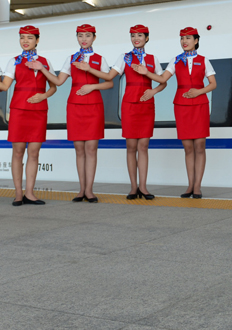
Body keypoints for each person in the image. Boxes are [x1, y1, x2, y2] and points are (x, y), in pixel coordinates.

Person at [0, 25, 56, 206]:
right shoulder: (13, 61)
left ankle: (30, 193)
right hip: (18, 110)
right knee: (18, 152)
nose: (25, 41)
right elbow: (4, 86)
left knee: (34, 153)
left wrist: (44, 95)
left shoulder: (45, 62)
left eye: (30, 38)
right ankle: (18, 193)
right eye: (22, 37)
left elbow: (54, 86)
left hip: (39, 111)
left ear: (37, 40)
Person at [33, 24, 112, 203]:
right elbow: (58, 82)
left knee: (91, 148)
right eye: (80, 36)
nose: (84, 39)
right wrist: (43, 68)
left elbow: (109, 82)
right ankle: (81, 189)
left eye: (88, 36)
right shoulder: (70, 59)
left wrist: (92, 82)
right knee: (79, 149)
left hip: (93, 106)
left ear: (94, 38)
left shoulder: (100, 59)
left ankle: (90, 190)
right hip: (75, 106)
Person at [87, 24, 166, 200]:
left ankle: (143, 187)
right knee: (131, 147)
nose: (136, 38)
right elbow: (108, 77)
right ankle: (133, 187)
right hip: (130, 105)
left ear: (147, 37)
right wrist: (89, 69)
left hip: (146, 104)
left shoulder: (153, 59)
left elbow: (162, 81)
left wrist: (153, 91)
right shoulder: (124, 58)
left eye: (139, 35)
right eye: (132, 35)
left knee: (143, 146)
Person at [141, 27, 216, 198]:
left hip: (199, 104)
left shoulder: (204, 60)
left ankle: (197, 186)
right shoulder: (176, 60)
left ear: (196, 40)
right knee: (188, 147)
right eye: (182, 38)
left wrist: (199, 91)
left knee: (200, 145)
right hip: (181, 105)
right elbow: (162, 79)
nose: (184, 41)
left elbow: (213, 84)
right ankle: (190, 185)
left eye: (188, 38)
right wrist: (147, 73)